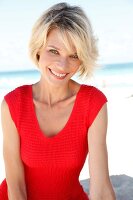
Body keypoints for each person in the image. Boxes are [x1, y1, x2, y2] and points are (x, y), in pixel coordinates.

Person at [0, 2, 116, 200]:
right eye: (54, 51)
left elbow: (101, 188)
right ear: (38, 49)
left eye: (74, 55)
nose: (63, 65)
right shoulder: (13, 104)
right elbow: (16, 188)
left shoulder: (93, 103)